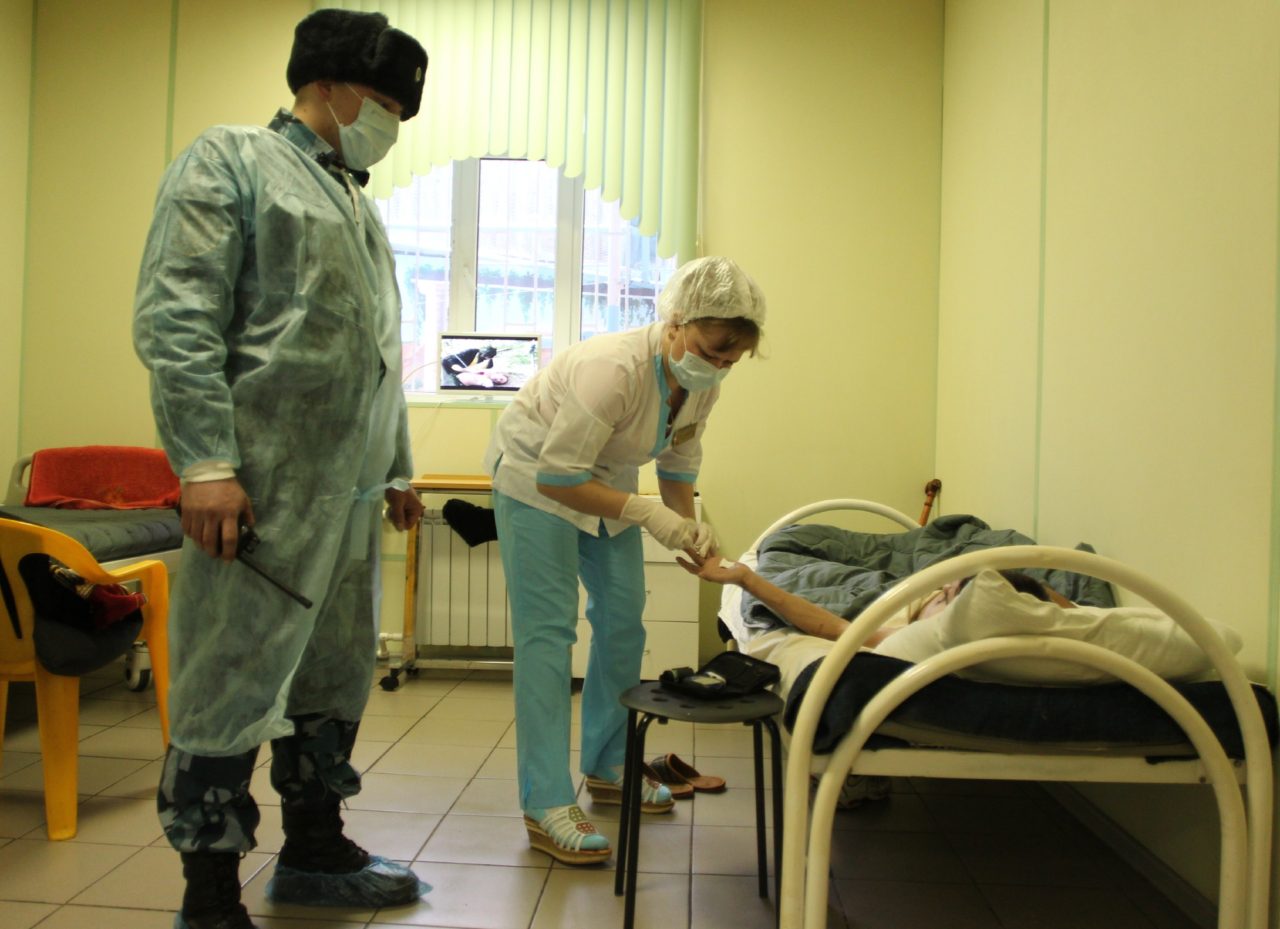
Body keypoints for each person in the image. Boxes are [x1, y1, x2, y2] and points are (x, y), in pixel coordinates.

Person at [132, 10, 428, 929]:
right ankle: (209, 896)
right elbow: (178, 319)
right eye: (382, 103)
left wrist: (398, 467)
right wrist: (205, 463)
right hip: (259, 489)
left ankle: (313, 850)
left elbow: (379, 352)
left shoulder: (356, 203)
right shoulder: (230, 161)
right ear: (324, 86)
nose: (389, 122)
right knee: (228, 681)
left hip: (349, 495)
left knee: (333, 674)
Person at [483, 255, 766, 864]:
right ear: (677, 320)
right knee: (548, 636)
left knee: (622, 622)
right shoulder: (612, 369)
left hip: (605, 482)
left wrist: (690, 533)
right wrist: (645, 514)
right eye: (710, 352)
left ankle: (610, 765)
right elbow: (559, 476)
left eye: (730, 361)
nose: (717, 368)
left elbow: (678, 465)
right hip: (536, 480)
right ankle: (545, 800)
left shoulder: (700, 382)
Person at [677, 554, 1070, 647]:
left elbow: (830, 624)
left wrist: (747, 578)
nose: (944, 588)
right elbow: (1042, 595)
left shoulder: (913, 635)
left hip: (875, 592)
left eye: (946, 595)